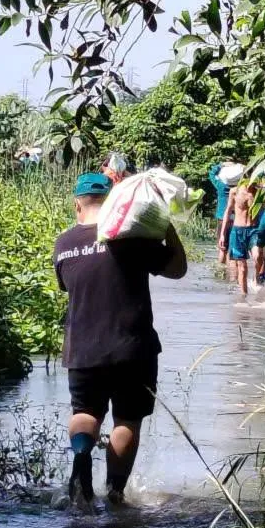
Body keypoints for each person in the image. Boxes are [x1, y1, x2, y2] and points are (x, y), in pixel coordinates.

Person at [53, 171, 188, 506]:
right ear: (113, 201)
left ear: (77, 205)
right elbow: (177, 269)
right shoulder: (133, 239)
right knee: (127, 419)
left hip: (82, 348)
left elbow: (67, 286)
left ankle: (81, 456)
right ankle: (115, 495)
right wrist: (166, 228)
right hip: (133, 348)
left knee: (85, 412)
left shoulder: (63, 244)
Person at [220, 173, 265, 297]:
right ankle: (243, 295)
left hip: (254, 229)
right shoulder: (234, 192)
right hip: (238, 230)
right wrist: (222, 234)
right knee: (242, 266)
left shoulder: (259, 192)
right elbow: (228, 211)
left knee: (258, 256)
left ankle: (256, 279)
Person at [208, 162, 232, 264]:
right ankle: (231, 271)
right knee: (232, 249)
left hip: (222, 219)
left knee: (222, 247)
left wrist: (221, 165)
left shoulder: (221, 186)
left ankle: (221, 269)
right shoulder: (239, 188)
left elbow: (211, 174)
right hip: (236, 219)